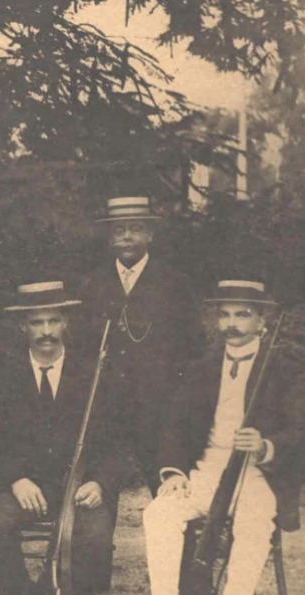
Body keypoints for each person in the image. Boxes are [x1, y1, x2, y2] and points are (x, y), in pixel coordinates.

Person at [124, 280, 305, 595]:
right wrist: (173, 472)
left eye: (243, 314)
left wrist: (265, 444)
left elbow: (303, 432)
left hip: (257, 474)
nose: (232, 323)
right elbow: (172, 427)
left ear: (262, 321)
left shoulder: (285, 370)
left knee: (255, 522)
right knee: (159, 512)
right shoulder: (200, 368)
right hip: (206, 472)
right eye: (225, 314)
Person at [0, 281, 124, 595]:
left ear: (65, 324)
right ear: (22, 327)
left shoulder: (94, 373)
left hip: (80, 485)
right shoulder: (1, 376)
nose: (45, 332)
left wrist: (100, 483)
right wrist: (15, 479)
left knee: (96, 539)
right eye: (36, 323)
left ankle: (56, 594)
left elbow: (117, 443)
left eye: (53, 321)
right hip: (23, 484)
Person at [79, 197, 201, 491]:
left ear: (150, 234)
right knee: (97, 486)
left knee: (167, 485)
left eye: (135, 229)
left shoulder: (175, 284)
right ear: (110, 238)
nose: (128, 237)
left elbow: (193, 349)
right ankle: (99, 537)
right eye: (120, 230)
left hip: (158, 406)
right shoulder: (92, 285)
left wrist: (179, 398)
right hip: (106, 406)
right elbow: (82, 347)